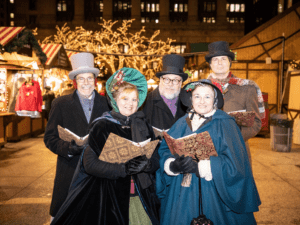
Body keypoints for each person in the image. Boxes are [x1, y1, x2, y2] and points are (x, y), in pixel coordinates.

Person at [50, 67, 160, 225]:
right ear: (115, 100)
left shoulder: (144, 126)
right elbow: (90, 164)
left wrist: (147, 164)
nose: (130, 104)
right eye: (125, 99)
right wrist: (124, 169)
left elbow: (156, 159)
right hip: (110, 196)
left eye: (134, 99)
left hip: (141, 195)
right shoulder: (102, 126)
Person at [156, 79, 261, 224]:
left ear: (215, 100)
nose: (202, 101)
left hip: (214, 192)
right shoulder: (181, 122)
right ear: (191, 99)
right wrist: (172, 165)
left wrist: (202, 167)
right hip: (182, 193)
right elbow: (165, 150)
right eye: (197, 96)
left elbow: (237, 164)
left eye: (207, 97)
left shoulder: (226, 123)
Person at [44, 52, 110, 221]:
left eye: (89, 78)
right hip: (69, 170)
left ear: (95, 80)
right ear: (75, 81)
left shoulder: (107, 104)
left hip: (97, 172)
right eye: (81, 79)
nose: (86, 83)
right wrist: (68, 148)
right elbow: (50, 138)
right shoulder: (60, 104)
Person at [206, 41, 264, 165]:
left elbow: (256, 123)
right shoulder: (199, 88)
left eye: (223, 59)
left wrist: (233, 139)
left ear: (230, 62)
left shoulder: (247, 88)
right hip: (207, 152)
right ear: (210, 64)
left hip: (237, 151)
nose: (220, 63)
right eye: (215, 59)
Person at [142, 54, 188, 132]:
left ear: (180, 83)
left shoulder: (188, 104)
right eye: (167, 79)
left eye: (175, 80)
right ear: (160, 80)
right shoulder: (144, 102)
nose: (170, 84)